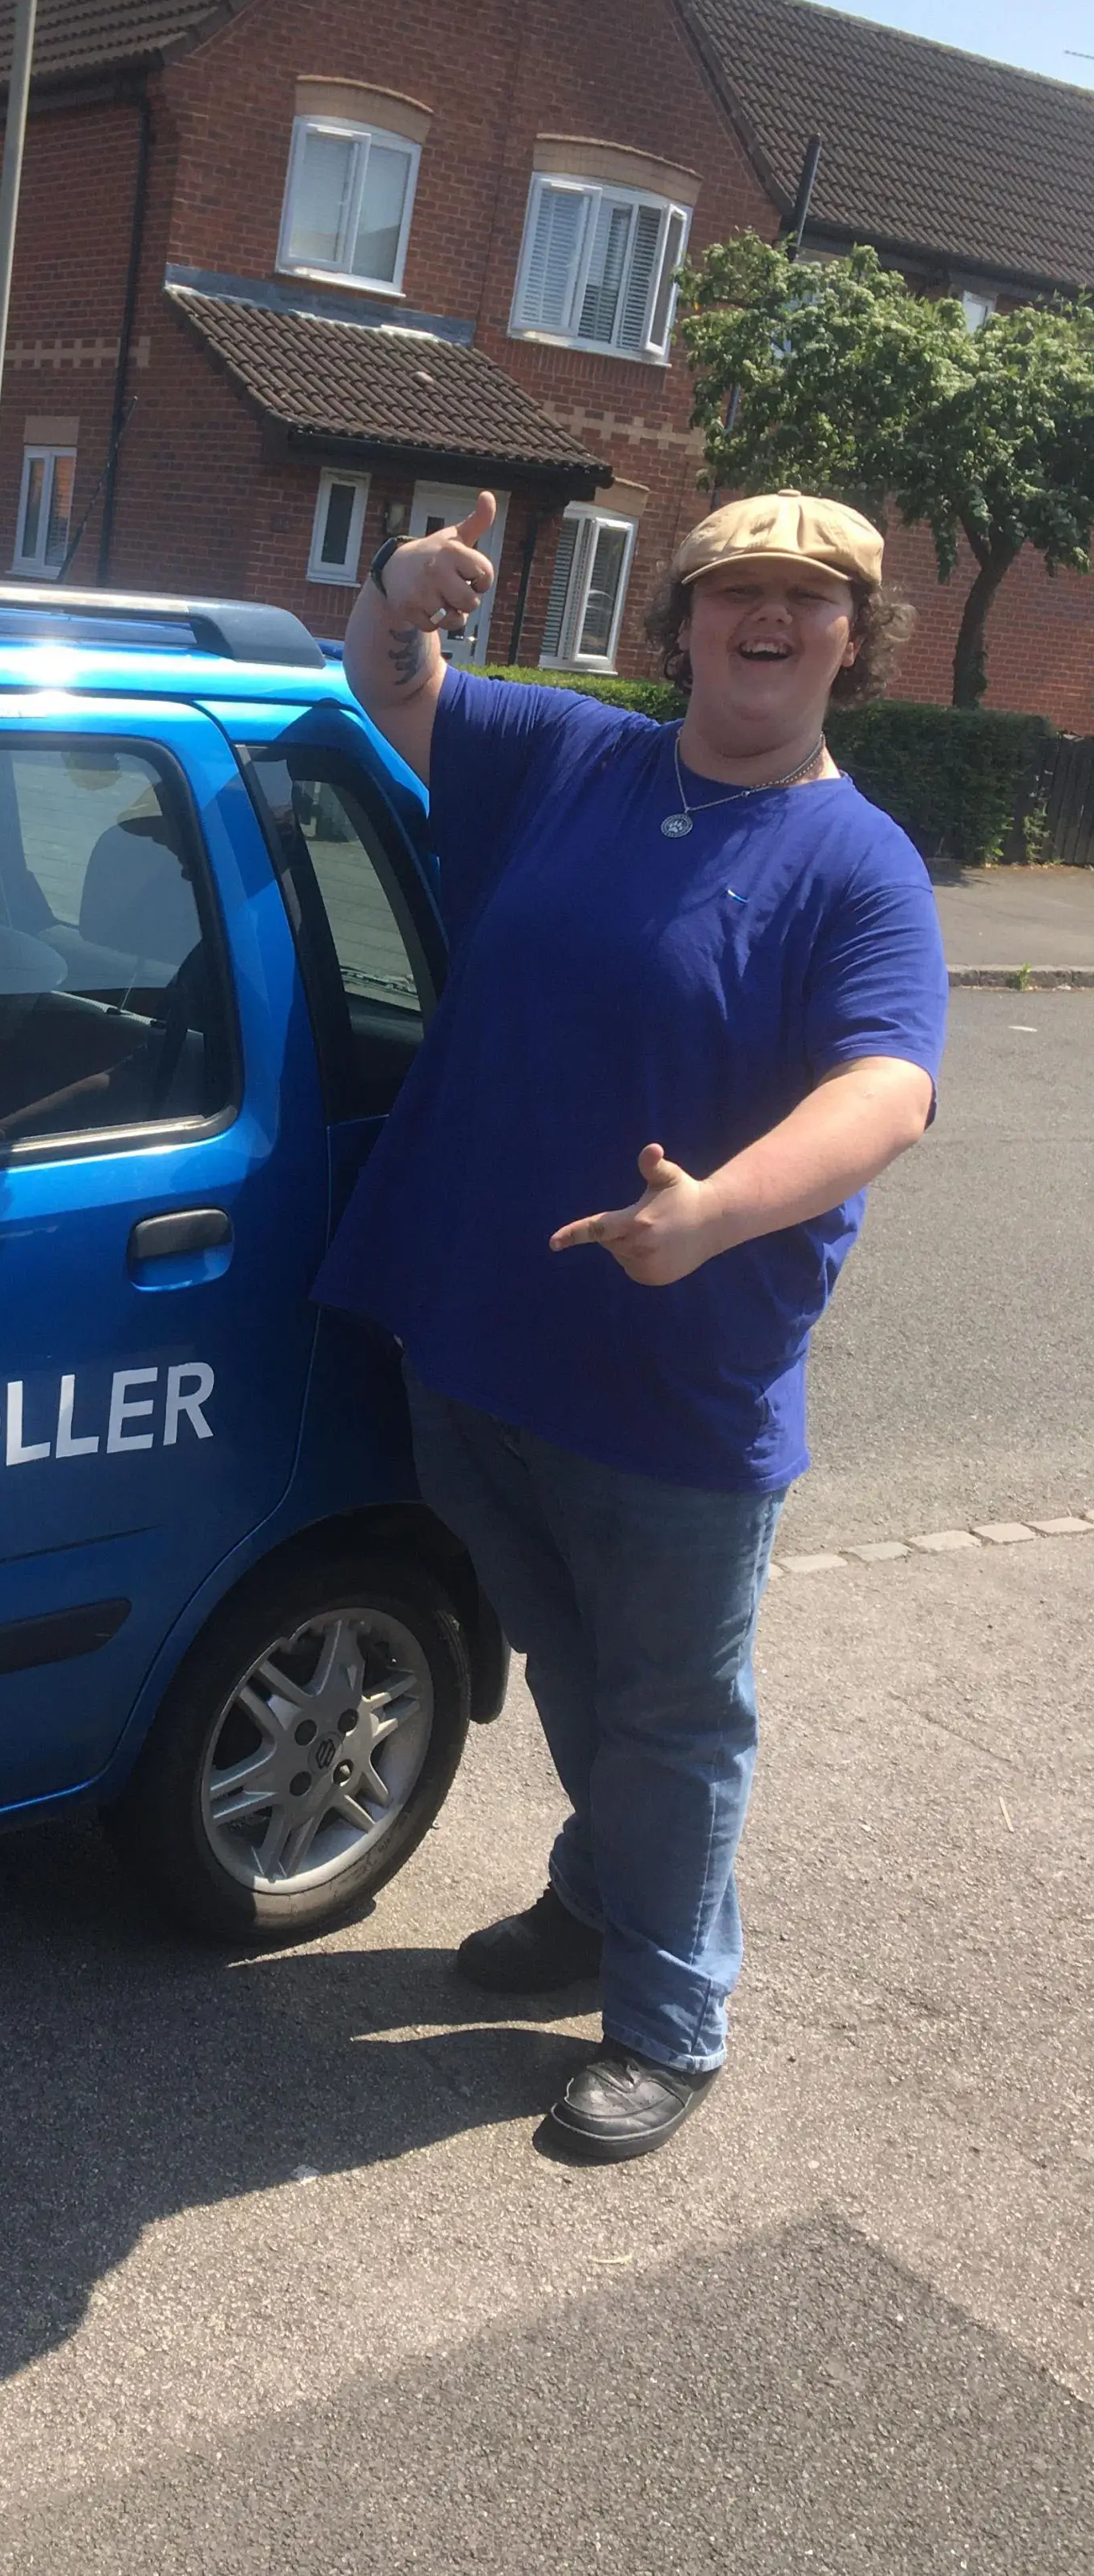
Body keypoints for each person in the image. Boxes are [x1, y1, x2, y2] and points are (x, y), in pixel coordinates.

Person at [320, 488, 946, 2163]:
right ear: (680, 622)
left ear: (853, 641)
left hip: (678, 1378)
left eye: (807, 599)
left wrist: (715, 1211)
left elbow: (888, 1088)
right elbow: (383, 680)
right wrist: (400, 585)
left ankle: (670, 2015)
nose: (767, 618)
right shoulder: (573, 757)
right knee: (570, 1661)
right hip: (479, 1328)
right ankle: (603, 1892)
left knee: (673, 1710)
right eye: (734, 590)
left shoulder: (859, 865)